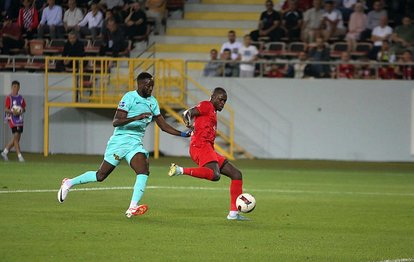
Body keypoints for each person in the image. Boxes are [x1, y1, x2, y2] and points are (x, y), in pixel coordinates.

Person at [57, 72, 191, 218]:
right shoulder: (129, 97)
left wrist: (184, 134)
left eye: (152, 86)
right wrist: (136, 117)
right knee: (100, 176)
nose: (150, 88)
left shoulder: (153, 102)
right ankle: (69, 183)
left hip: (135, 144)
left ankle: (132, 207)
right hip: (119, 142)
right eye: (147, 85)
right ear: (139, 84)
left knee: (143, 170)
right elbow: (116, 121)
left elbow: (163, 125)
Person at [168, 87, 249, 221]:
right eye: (221, 100)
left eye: (225, 101)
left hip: (208, 148)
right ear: (213, 97)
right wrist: (189, 124)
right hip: (200, 146)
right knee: (215, 175)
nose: (223, 103)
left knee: (236, 174)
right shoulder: (206, 105)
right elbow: (187, 113)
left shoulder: (213, 112)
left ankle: (233, 214)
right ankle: (179, 170)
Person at [1, 80, 26, 162]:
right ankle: (20, 156)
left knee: (17, 138)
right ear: (12, 87)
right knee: (16, 136)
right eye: (14, 86)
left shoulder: (21, 98)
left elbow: (24, 109)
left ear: (19, 88)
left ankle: (4, 152)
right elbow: (5, 109)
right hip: (12, 118)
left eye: (17, 87)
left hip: (19, 119)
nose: (15, 88)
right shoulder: (9, 98)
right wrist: (13, 112)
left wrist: (20, 111)